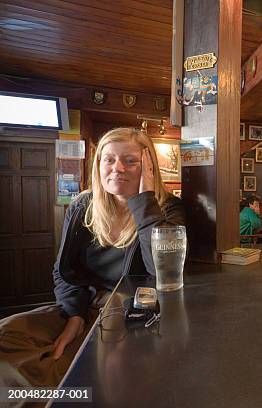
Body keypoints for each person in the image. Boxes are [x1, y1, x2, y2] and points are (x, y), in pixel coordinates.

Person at [0, 127, 185, 387]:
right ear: (98, 165)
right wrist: (74, 315)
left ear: (149, 167)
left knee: (93, 372)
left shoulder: (168, 209)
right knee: (6, 335)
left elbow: (162, 270)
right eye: (109, 159)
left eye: (130, 161)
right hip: (81, 305)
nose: (117, 168)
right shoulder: (82, 205)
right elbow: (64, 271)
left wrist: (145, 201)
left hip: (128, 312)